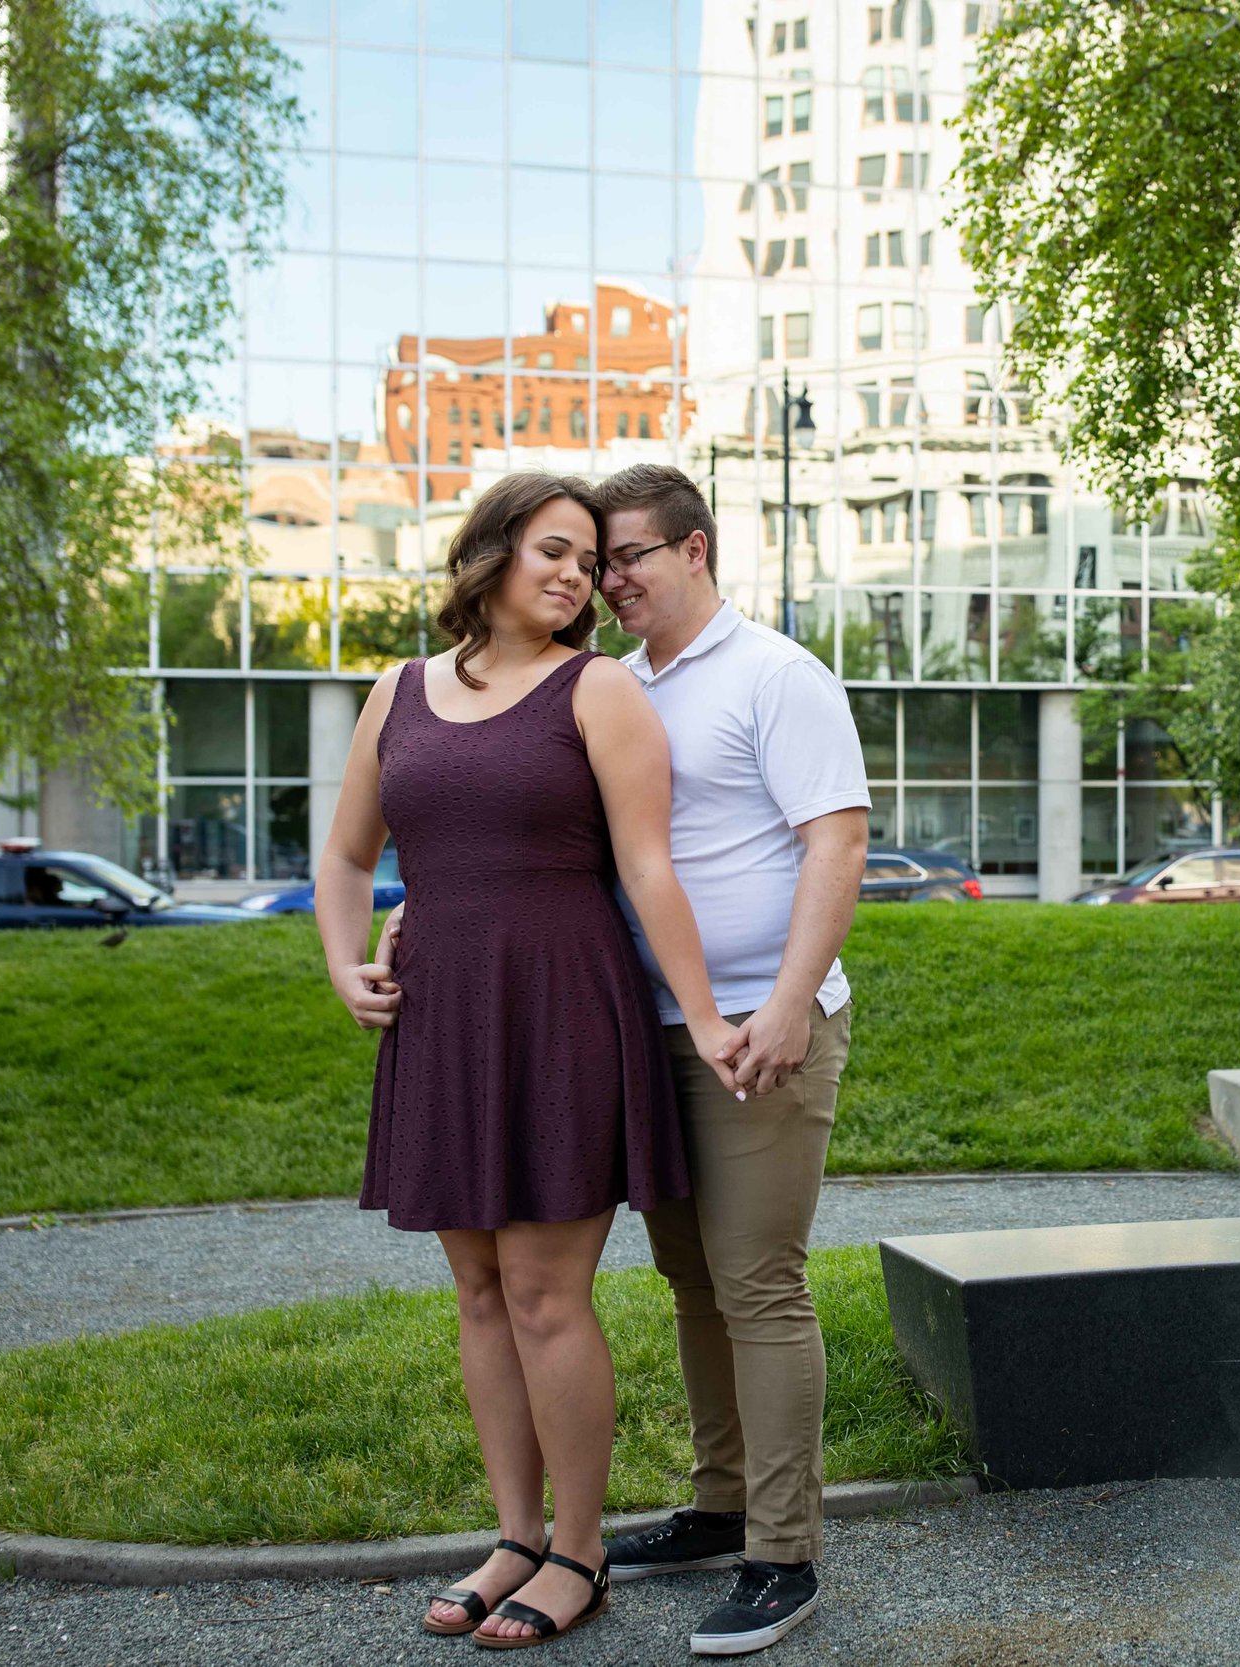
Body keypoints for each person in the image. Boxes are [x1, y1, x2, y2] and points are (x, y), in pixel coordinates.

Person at [315, 471, 744, 1649]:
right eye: (554, 551)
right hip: (443, 1013)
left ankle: (580, 1549)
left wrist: (704, 1019)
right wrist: (344, 960)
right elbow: (349, 855)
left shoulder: (596, 689)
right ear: (491, 553)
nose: (578, 576)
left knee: (548, 1292)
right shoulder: (394, 690)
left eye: (592, 559)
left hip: (560, 1005)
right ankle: (513, 1535)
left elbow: (649, 869)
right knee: (478, 1290)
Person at [588, 464, 871, 1657]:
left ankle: (784, 1551)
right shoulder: (618, 686)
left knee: (758, 1279)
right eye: (600, 563)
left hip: (763, 1028)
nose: (610, 580)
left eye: (629, 556)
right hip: (653, 1027)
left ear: (696, 548)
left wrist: (793, 1000)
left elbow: (837, 839)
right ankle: (718, 1506)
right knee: (693, 1282)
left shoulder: (774, 673)